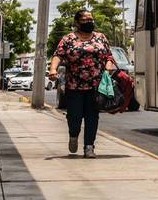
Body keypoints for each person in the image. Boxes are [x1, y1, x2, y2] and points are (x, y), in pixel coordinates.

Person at [48, 10, 115, 158]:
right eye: (85, 20)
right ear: (77, 23)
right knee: (74, 116)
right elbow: (58, 55)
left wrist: (109, 66)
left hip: (96, 85)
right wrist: (53, 69)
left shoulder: (100, 37)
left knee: (92, 116)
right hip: (74, 85)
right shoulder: (68, 39)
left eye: (91, 19)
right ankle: (73, 135)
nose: (89, 22)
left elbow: (109, 56)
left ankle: (89, 147)